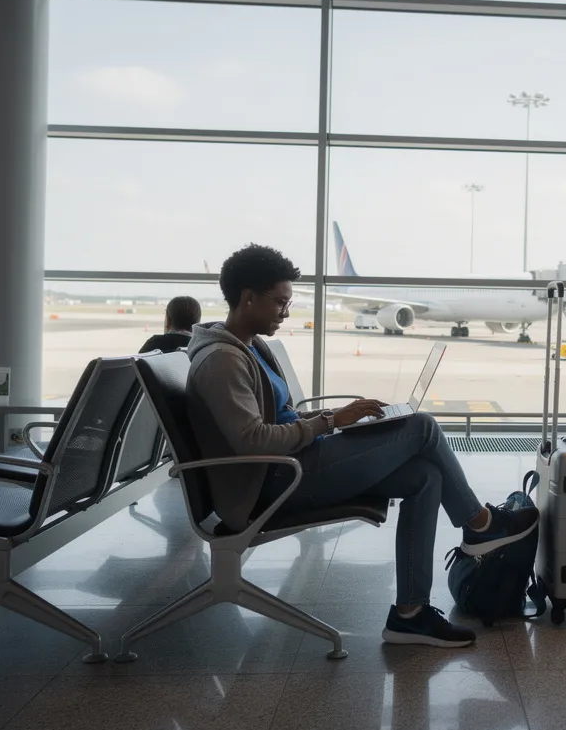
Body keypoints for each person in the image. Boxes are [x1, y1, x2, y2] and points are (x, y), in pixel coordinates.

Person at [185, 244, 538, 648]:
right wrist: (331, 422)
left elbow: (278, 417)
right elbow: (252, 441)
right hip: (272, 483)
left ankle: (410, 614)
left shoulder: (249, 348)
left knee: (425, 476)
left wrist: (341, 415)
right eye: (280, 302)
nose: (286, 311)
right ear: (248, 298)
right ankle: (479, 525)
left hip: (289, 465)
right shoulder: (222, 361)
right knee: (421, 426)